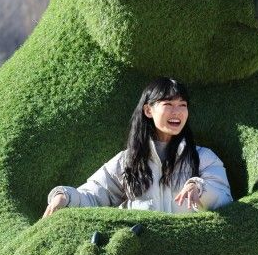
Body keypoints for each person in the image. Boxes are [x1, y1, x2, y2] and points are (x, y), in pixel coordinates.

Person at [43, 77, 232, 217]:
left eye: (182, 105)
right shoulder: (127, 161)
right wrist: (64, 197)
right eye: (168, 103)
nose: (177, 112)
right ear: (148, 110)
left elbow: (224, 198)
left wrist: (199, 187)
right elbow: (94, 195)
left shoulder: (204, 158)